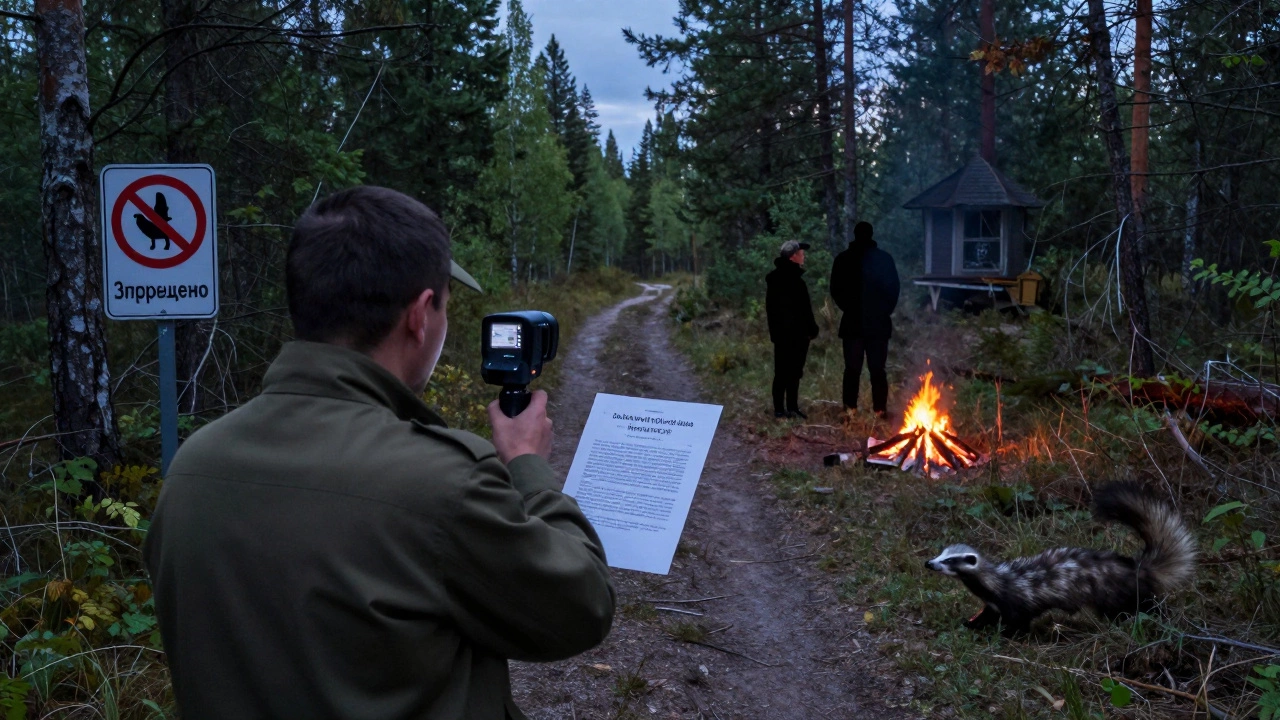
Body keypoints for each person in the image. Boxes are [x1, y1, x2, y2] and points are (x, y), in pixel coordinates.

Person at [143, 186, 616, 720]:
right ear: (419, 317)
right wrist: (528, 464)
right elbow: (581, 606)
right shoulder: (442, 483)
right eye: (443, 306)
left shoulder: (192, 467)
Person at [830, 221, 900, 419]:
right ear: (871, 235)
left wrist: (850, 308)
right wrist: (883, 311)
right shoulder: (885, 259)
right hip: (876, 323)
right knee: (877, 369)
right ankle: (879, 410)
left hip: (854, 323)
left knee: (853, 369)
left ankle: (850, 409)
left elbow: (836, 290)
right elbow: (894, 290)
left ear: (855, 235)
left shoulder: (843, 259)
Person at [765, 240, 820, 419]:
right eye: (801, 253)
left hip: (787, 335)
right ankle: (785, 409)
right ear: (793, 256)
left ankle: (787, 409)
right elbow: (804, 310)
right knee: (788, 371)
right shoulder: (792, 281)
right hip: (793, 335)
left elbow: (771, 311)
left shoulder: (778, 279)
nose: (804, 256)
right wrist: (812, 329)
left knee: (789, 371)